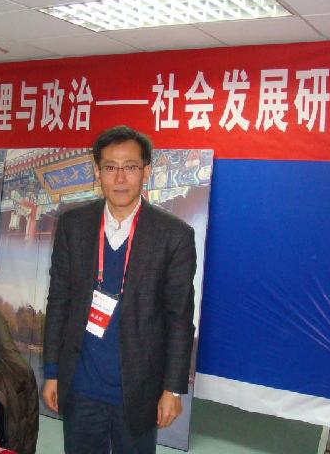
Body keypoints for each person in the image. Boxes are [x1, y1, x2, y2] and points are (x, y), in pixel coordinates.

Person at [42, 125, 197, 454]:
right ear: (97, 171)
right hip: (81, 385)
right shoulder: (73, 226)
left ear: (146, 172)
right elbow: (59, 303)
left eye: (131, 167)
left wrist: (172, 389)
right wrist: (52, 372)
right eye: (111, 167)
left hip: (138, 389)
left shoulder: (174, 235)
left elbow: (179, 320)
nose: (121, 178)